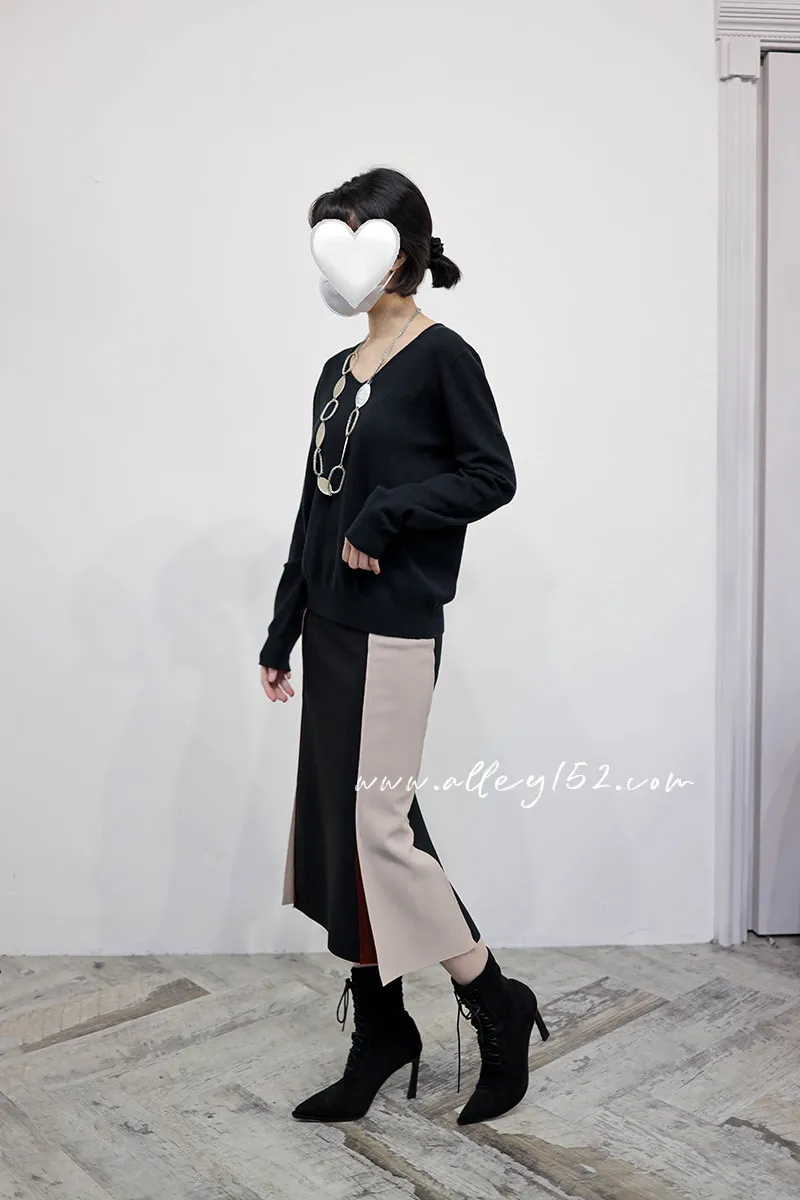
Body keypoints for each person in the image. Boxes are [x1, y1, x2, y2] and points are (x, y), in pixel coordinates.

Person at [259, 166, 548, 1125]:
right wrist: (285, 623)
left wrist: (389, 514)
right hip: (332, 628)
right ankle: (382, 1027)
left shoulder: (444, 358)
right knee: (340, 827)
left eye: (355, 235)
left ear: (399, 253)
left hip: (392, 627)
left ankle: (495, 1000)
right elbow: (314, 506)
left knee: (379, 828)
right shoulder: (335, 373)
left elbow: (491, 475)